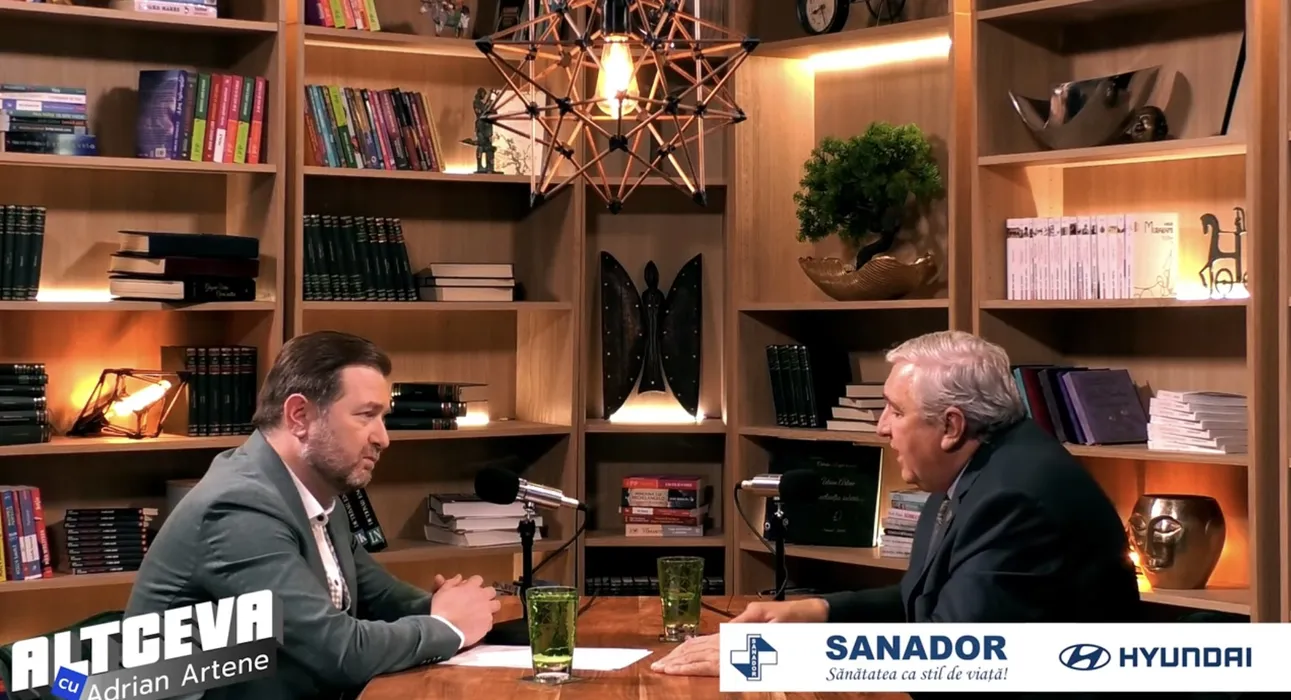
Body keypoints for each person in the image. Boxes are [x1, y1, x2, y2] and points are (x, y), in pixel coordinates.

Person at [651, 330, 1141, 677]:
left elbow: (954, 660)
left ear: (951, 426)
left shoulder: (1016, 500)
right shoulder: (981, 466)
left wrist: (770, 659)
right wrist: (815, 611)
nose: (882, 427)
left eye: (895, 411)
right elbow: (927, 603)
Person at [126, 331, 500, 699]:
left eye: (382, 417)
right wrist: (447, 627)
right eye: (366, 415)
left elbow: (381, 598)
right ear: (299, 416)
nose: (383, 438)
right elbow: (339, 652)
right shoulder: (238, 508)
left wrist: (453, 606)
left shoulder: (316, 493)